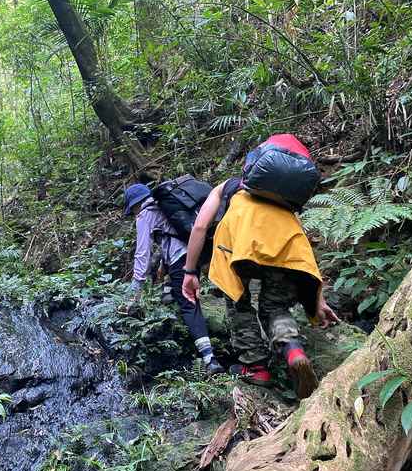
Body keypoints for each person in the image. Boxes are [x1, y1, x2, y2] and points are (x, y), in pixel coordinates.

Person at [181, 165, 340, 399]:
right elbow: (302, 249)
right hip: (286, 248)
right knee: (275, 307)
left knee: (239, 304)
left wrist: (189, 271)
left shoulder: (227, 187)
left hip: (242, 248)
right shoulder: (284, 198)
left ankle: (257, 368)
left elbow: (200, 226)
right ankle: (293, 351)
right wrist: (319, 298)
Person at [123, 183, 225, 374]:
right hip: (198, 250)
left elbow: (142, 253)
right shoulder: (163, 206)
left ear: (135, 205)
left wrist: (135, 289)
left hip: (181, 258)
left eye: (133, 210)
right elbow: (171, 234)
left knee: (188, 303)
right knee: (177, 293)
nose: (134, 214)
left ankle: (210, 359)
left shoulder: (144, 214)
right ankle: (169, 299)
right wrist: (164, 266)